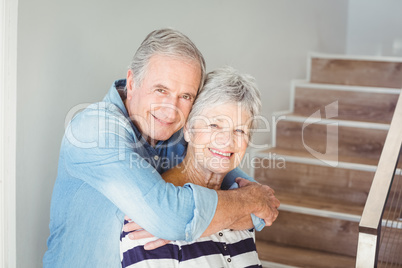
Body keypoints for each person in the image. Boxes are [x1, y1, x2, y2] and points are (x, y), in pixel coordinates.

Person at [43, 29, 279, 267]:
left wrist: (195, 220)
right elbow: (173, 218)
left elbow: (259, 205)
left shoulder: (176, 132)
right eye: (161, 90)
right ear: (132, 82)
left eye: (186, 96)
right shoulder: (93, 130)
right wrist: (181, 221)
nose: (171, 109)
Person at [121, 67, 264, 267]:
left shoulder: (244, 204)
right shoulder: (154, 214)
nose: (227, 140)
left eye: (240, 130)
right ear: (188, 129)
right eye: (214, 125)